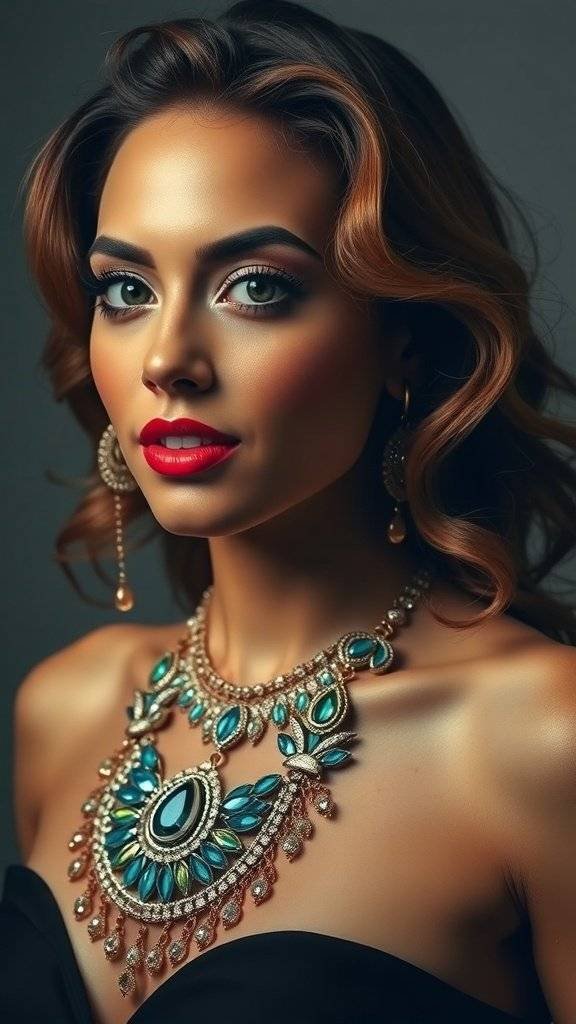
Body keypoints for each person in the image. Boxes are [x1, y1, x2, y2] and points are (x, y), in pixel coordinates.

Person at [2, 1, 575, 1021]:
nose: (168, 357)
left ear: (405, 334)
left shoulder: (540, 740)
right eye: (125, 289)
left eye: (256, 285)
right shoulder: (64, 710)